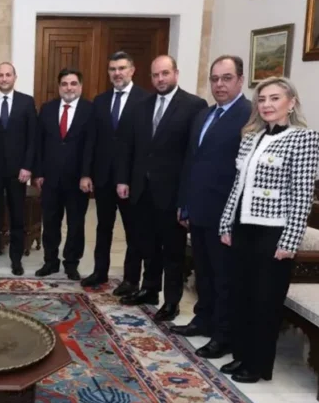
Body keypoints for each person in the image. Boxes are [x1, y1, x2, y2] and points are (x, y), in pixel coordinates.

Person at [218, 76, 319, 383]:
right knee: (242, 294)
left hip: (273, 233)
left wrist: (290, 240)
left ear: (291, 103)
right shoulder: (251, 137)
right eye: (262, 99)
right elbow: (238, 186)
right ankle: (242, 355)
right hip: (243, 227)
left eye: (275, 98)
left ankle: (258, 365)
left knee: (265, 300)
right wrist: (226, 223)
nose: (267, 105)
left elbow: (303, 195)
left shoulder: (304, 138)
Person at [172, 55, 251, 360]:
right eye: (215, 79)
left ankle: (223, 334)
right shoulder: (204, 114)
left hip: (226, 214)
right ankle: (203, 319)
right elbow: (190, 161)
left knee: (224, 276)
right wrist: (184, 203)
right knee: (203, 272)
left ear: (240, 80)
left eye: (226, 78)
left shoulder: (249, 115)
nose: (219, 85)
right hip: (199, 209)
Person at [117, 55, 207, 321]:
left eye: (165, 73)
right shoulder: (141, 105)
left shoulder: (193, 106)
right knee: (148, 245)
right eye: (156, 75)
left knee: (173, 251)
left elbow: (193, 154)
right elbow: (128, 146)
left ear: (175, 74)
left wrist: (187, 197)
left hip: (172, 192)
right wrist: (124, 179)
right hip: (142, 190)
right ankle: (149, 289)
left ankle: (171, 301)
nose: (160, 79)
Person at [80, 51, 148, 288]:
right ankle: (100, 272)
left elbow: (143, 145)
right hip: (103, 178)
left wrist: (128, 178)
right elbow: (92, 140)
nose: (117, 73)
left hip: (130, 180)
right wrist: (86, 173)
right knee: (103, 228)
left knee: (133, 231)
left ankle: (130, 280)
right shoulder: (100, 101)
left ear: (132, 70)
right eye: (112, 69)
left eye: (121, 68)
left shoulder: (145, 100)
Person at [0, 62, 37, 276]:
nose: (4, 79)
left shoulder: (26, 102)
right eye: (0, 75)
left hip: (18, 172)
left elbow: (32, 139)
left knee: (17, 216)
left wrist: (28, 166)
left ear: (14, 77)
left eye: (8, 75)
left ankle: (16, 259)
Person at [34, 68, 93, 280]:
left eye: (73, 83)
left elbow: (92, 145)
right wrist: (38, 173)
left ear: (80, 86)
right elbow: (39, 143)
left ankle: (71, 263)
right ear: (59, 87)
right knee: (50, 222)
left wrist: (87, 174)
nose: (69, 88)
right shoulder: (47, 109)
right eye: (65, 84)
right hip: (50, 178)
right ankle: (50, 261)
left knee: (76, 224)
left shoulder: (90, 110)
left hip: (78, 180)